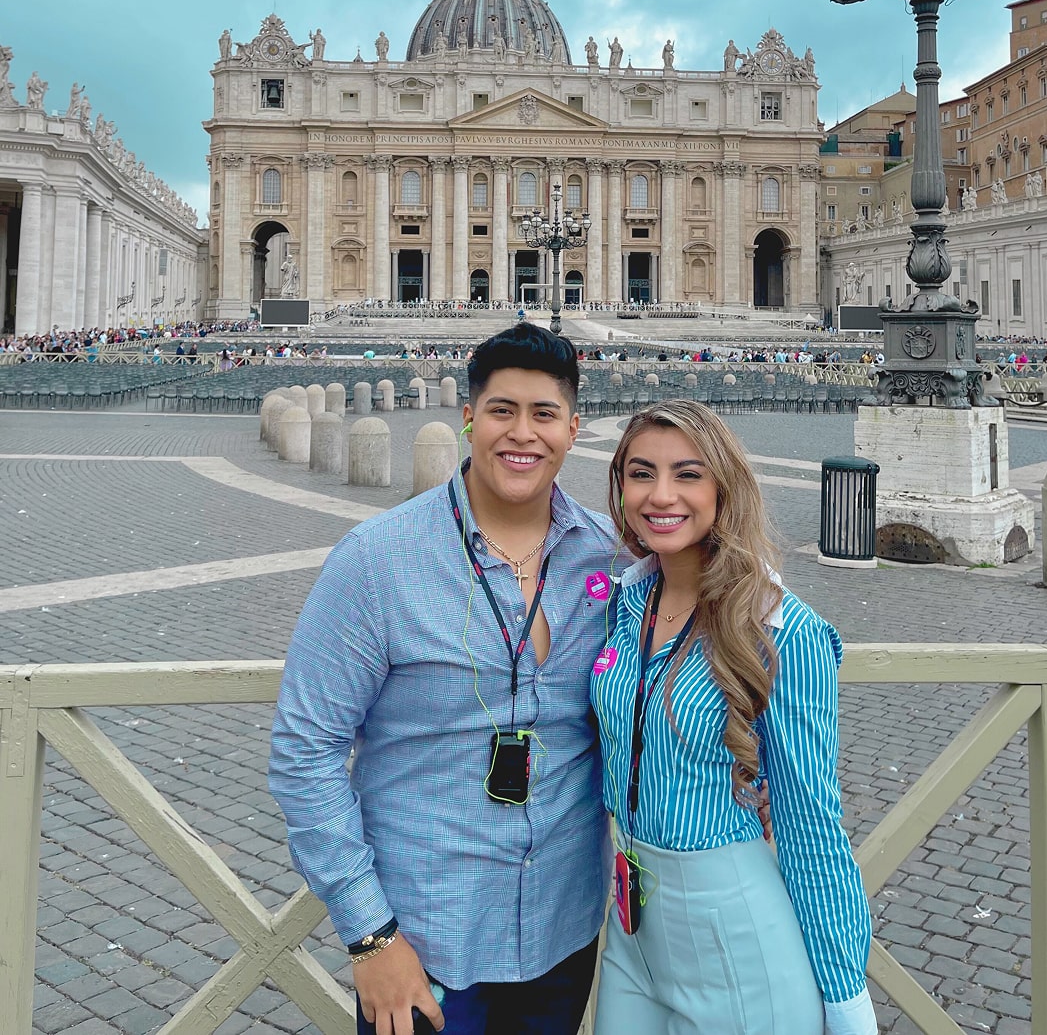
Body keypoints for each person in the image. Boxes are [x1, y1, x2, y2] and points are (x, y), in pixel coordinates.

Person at [269, 324, 618, 1035]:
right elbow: (305, 751)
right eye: (502, 411)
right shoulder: (376, 559)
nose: (522, 434)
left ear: (573, 429)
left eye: (544, 414)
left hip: (561, 930)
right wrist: (370, 936)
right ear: (468, 417)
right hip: (424, 943)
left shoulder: (608, 560)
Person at [591, 400, 875, 1035]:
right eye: (641, 473)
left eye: (688, 474)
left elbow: (810, 824)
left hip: (734, 933)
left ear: (724, 488)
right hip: (633, 926)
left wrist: (847, 1004)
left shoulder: (784, 631)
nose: (661, 495)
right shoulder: (623, 601)